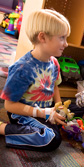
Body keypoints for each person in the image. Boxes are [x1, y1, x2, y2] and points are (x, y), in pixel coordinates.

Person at [0, 9, 71, 152]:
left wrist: (59, 107)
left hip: (45, 109)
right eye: (62, 38)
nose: (66, 44)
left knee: (79, 109)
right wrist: (43, 113)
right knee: (51, 138)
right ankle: (3, 128)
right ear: (43, 37)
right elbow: (9, 105)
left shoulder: (54, 63)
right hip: (22, 113)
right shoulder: (22, 68)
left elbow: (55, 86)